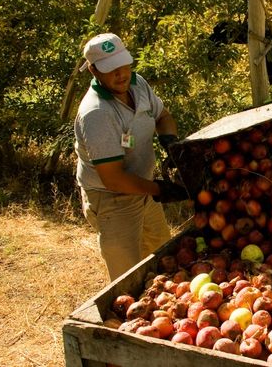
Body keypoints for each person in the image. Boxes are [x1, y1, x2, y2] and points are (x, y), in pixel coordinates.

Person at [74, 33, 188, 281]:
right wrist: (160, 189)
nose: (121, 73)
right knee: (128, 280)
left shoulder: (138, 84)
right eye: (111, 69)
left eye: (123, 64)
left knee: (164, 260)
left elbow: (163, 116)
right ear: (93, 71)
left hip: (144, 188)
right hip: (113, 200)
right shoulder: (97, 113)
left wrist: (170, 143)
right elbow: (113, 179)